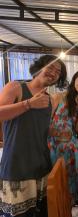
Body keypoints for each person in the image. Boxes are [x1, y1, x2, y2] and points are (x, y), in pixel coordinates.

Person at [0, 55, 67, 217]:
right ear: (38, 68)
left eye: (58, 72)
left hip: (41, 165)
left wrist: (55, 132)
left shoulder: (50, 100)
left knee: (41, 212)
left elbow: (39, 127)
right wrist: (28, 104)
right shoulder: (15, 87)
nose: (53, 73)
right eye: (50, 67)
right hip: (16, 165)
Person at [48, 69, 78, 204]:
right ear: (74, 80)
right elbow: (48, 119)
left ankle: (69, 206)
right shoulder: (59, 96)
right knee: (54, 178)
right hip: (54, 145)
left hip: (71, 146)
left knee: (71, 179)